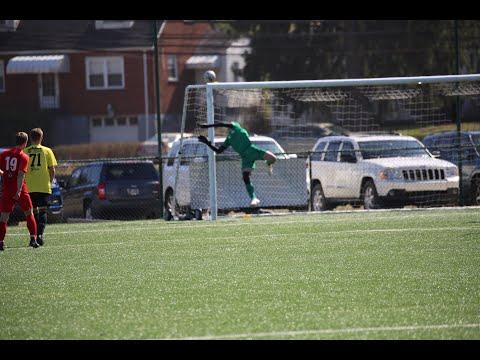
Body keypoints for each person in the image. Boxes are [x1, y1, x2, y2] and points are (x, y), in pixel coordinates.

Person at [197, 121, 277, 207]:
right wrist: (207, 143)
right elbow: (218, 151)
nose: (228, 126)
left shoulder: (237, 127)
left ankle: (268, 164)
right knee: (245, 177)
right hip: (245, 158)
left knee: (273, 158)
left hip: (252, 150)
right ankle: (254, 198)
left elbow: (223, 124)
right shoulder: (228, 139)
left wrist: (208, 126)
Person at [0, 132, 39, 251]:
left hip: (7, 189)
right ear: (25, 142)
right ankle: (33, 239)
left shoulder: (4, 154)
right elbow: (21, 175)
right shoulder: (23, 156)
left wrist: (4, 175)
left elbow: (3, 170)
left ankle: (0, 242)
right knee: (29, 213)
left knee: (4, 217)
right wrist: (18, 191)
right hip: (20, 189)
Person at [25, 128, 58, 246]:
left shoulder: (25, 151)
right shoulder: (47, 151)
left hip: (29, 187)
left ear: (30, 138)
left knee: (32, 213)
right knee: (43, 211)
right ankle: (40, 234)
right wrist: (50, 181)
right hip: (44, 186)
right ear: (41, 138)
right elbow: (52, 169)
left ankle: (33, 237)